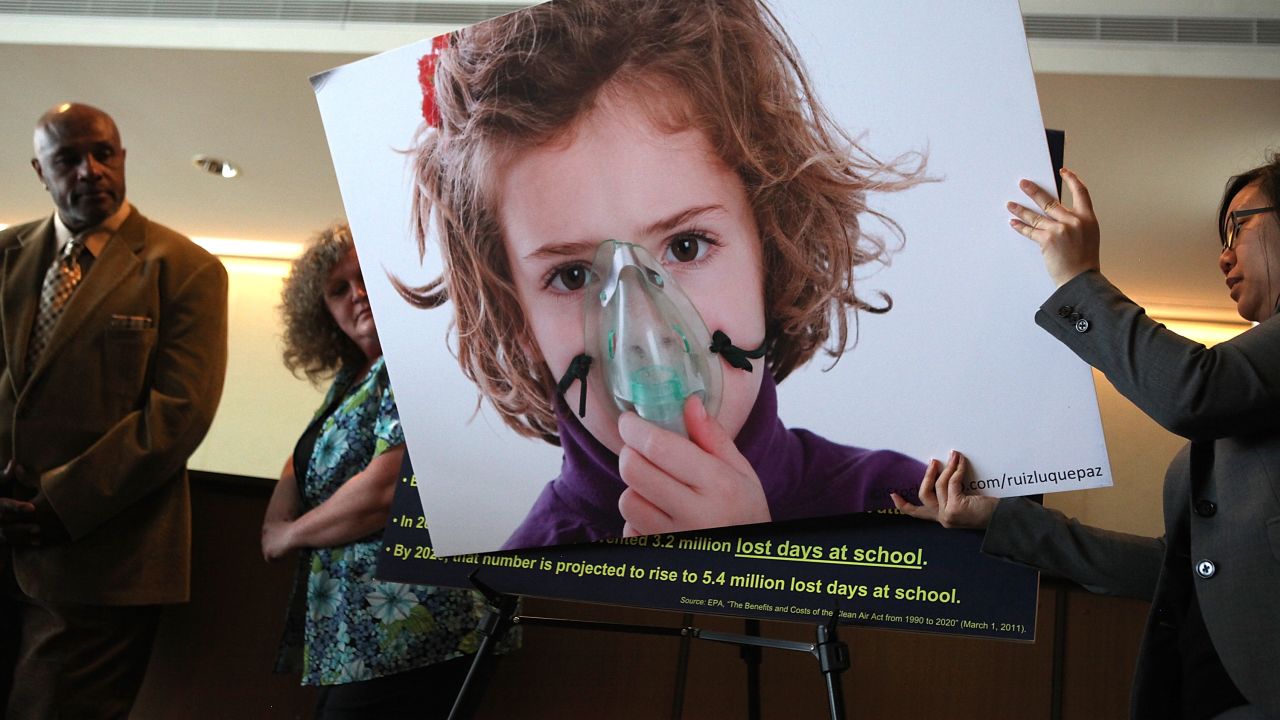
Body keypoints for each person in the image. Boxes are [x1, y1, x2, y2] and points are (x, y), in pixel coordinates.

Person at [401, 0, 928, 550]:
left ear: (773, 253)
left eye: (685, 245)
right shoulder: (525, 587)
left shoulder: (906, 507)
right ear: (515, 320)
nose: (648, 336)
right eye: (574, 276)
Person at [893, 159, 1280, 719]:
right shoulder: (1251, 401)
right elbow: (1176, 571)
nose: (1224, 255)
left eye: (1237, 227)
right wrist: (998, 519)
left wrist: (1079, 283)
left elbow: (1192, 393)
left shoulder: (1227, 392)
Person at [0, 103, 229, 719]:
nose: (91, 170)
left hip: (104, 563)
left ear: (122, 156)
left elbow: (178, 415)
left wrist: (60, 502)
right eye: (68, 159)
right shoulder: (5, 254)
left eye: (104, 153)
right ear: (39, 170)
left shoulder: (186, 269)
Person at [264, 224, 509, 719]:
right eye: (338, 289)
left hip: (417, 625)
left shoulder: (415, 359)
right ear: (323, 314)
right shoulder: (347, 384)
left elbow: (385, 491)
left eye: (366, 277)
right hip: (356, 631)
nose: (357, 295)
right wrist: (282, 516)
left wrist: (290, 535)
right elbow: (298, 466)